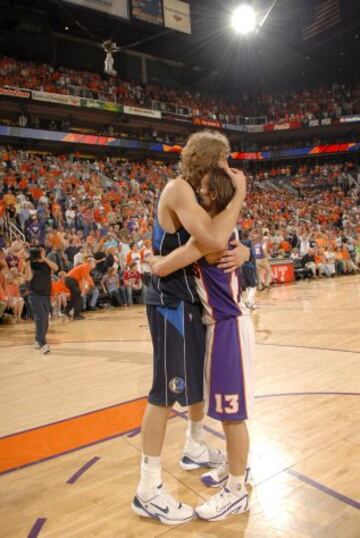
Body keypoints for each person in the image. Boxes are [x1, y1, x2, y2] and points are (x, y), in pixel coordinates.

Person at [131, 131, 249, 525]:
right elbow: (213, 237)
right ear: (210, 160)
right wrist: (239, 196)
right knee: (164, 392)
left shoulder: (199, 197)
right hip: (169, 302)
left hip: (188, 301)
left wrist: (243, 249)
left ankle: (196, 445)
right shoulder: (179, 188)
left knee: (193, 382)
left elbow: (216, 242)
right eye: (224, 161)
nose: (228, 168)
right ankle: (148, 489)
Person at [24, 246, 58, 354]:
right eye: (42, 252)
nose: (44, 253)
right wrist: (28, 263)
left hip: (45, 295)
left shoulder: (46, 264)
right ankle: (43, 344)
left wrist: (45, 259)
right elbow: (28, 278)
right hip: (35, 295)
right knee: (41, 319)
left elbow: (56, 268)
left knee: (46, 321)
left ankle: (38, 340)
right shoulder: (32, 265)